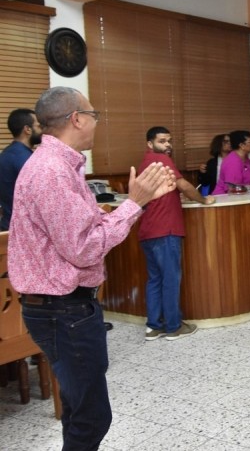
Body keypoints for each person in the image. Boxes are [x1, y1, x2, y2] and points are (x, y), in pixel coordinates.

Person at [8, 87, 176, 450]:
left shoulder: (57, 166)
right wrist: (134, 204)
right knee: (91, 417)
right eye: (93, 114)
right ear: (76, 119)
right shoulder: (52, 171)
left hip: (61, 308)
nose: (97, 122)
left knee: (78, 408)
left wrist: (126, 207)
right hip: (63, 309)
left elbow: (79, 231)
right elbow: (84, 248)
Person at [139, 126, 215, 341]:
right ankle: (173, 327)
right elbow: (185, 187)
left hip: (148, 230)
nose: (168, 145)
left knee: (155, 279)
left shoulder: (146, 161)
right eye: (162, 141)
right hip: (166, 230)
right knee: (170, 279)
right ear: (150, 143)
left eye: (169, 140)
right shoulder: (161, 159)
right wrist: (203, 199)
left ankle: (153, 327)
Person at [0, 108, 42, 231]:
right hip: (23, 230)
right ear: (27, 129)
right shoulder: (27, 159)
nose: (42, 131)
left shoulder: (6, 154)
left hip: (7, 225)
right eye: (38, 126)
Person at [212, 129, 250, 195]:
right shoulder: (232, 162)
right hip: (224, 197)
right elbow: (232, 189)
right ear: (242, 145)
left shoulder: (245, 158)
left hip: (242, 195)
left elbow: (246, 182)